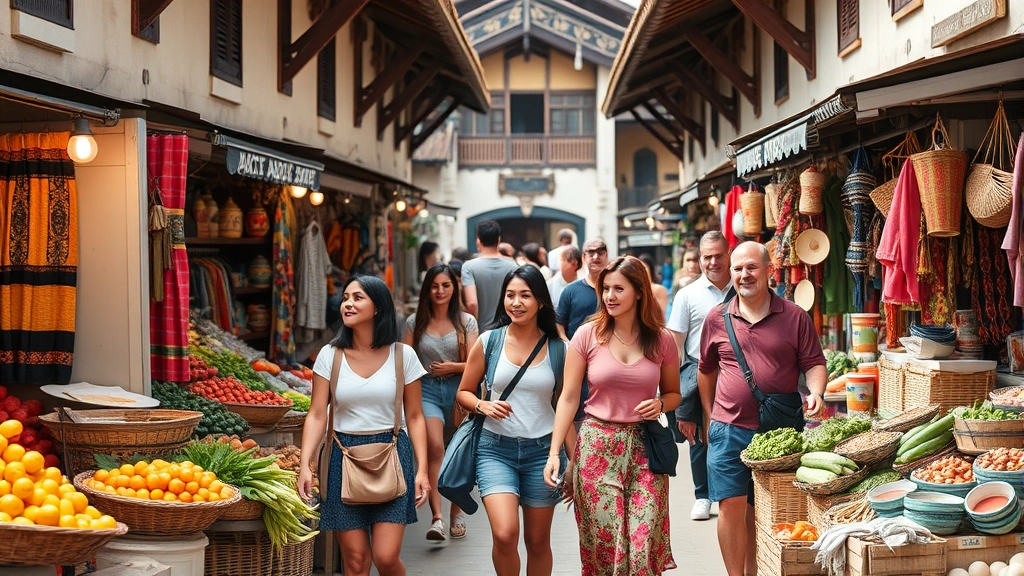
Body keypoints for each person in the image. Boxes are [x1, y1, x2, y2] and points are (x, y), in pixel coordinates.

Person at [545, 255, 681, 575]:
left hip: (645, 448)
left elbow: (674, 394)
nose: (610, 296)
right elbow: (567, 398)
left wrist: (661, 404)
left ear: (639, 292)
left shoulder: (661, 339)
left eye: (619, 289)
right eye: (605, 288)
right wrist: (555, 454)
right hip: (597, 448)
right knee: (609, 548)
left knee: (642, 543)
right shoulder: (587, 335)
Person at [698, 242, 826, 576]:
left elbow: (814, 363)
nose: (744, 275)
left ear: (769, 270)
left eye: (751, 267)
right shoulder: (716, 318)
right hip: (728, 429)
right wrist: (710, 416)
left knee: (762, 509)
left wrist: (816, 392)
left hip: (779, 433)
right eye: (738, 268)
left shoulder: (795, 316)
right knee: (730, 504)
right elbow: (706, 370)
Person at [298, 275, 431, 576]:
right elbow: (317, 414)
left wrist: (422, 469)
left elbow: (415, 416)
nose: (348, 304)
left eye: (358, 298)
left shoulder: (403, 355)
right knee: (356, 561)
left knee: (386, 557)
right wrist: (306, 464)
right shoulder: (329, 355)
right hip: (341, 456)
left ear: (378, 308)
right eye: (345, 298)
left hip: (392, 453)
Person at [455, 265, 570, 576]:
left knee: (537, 541)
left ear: (541, 301)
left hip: (543, 453)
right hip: (494, 450)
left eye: (525, 296)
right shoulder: (489, 341)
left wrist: (572, 462)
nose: (516, 303)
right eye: (510, 295)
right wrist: (482, 405)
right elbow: (463, 392)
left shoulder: (559, 348)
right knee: (505, 534)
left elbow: (565, 406)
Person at [403, 263, 479, 541]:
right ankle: (437, 518)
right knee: (435, 448)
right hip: (426, 391)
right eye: (435, 286)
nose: (440, 291)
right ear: (427, 289)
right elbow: (404, 359)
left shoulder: (467, 322)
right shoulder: (414, 322)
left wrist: (452, 367)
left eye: (446, 285)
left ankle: (456, 511)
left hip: (460, 391)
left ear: (454, 288)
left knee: (459, 452)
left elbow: (476, 363)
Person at [666, 231, 733, 522]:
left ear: (729, 255)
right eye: (707, 257)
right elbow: (674, 348)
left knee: (734, 433)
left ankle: (733, 494)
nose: (713, 262)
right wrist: (676, 392)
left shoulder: (743, 288)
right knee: (696, 435)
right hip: (697, 372)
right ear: (700, 259)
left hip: (736, 373)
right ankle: (702, 495)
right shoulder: (687, 295)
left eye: (718, 256)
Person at [462, 220, 518, 331]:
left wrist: (472, 330)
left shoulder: (469, 267)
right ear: (498, 240)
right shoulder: (513, 266)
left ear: (478, 241)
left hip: (481, 330)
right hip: (507, 330)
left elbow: (472, 304)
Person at [556, 238, 608, 341]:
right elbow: (559, 323)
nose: (596, 257)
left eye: (600, 253)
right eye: (591, 253)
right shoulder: (570, 291)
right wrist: (568, 345)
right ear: (584, 258)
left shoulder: (613, 291)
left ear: (606, 256)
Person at [638, 253, 669, 319]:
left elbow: (661, 311)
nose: (642, 271)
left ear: (650, 269)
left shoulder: (659, 289)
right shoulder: (636, 290)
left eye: (644, 268)